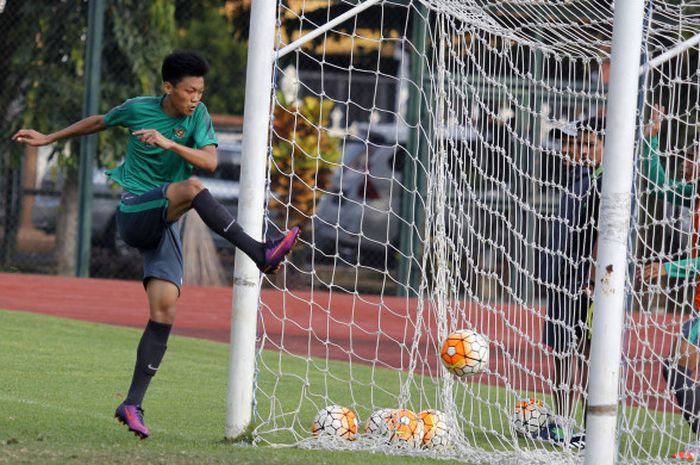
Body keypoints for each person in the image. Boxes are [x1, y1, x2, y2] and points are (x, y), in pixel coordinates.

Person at [11, 50, 300, 439]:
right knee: (194, 188)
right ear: (168, 87)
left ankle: (131, 403)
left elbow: (210, 161)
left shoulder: (198, 116)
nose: (195, 98)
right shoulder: (138, 109)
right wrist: (50, 137)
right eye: (188, 91)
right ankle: (259, 251)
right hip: (135, 211)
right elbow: (100, 121)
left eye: (200, 91)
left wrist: (169, 144)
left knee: (164, 310)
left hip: (166, 222)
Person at [636, 108, 700, 459]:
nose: (686, 162)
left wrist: (668, 269)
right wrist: (652, 139)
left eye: (692, 157)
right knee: (676, 368)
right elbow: (659, 184)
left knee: (677, 369)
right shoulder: (692, 194)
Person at [540, 115, 607, 449]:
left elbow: (601, 233)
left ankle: (590, 427)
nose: (575, 149)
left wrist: (592, 279)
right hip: (562, 277)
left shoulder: (603, 179)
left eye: (586, 144)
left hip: (583, 281)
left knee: (585, 353)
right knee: (562, 352)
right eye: (571, 142)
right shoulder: (572, 177)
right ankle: (562, 422)